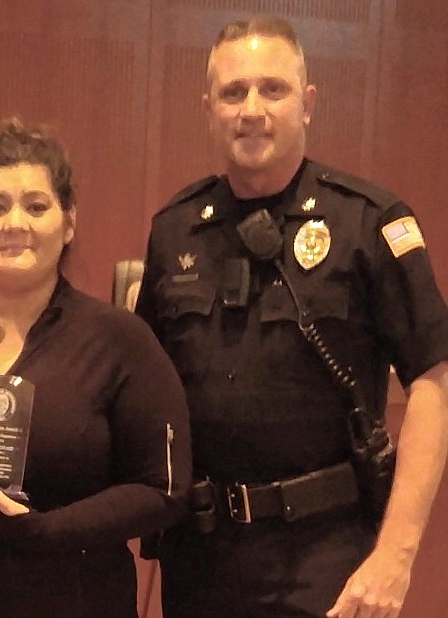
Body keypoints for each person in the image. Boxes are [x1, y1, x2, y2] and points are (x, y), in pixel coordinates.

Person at [135, 16, 448, 618]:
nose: (251, 108)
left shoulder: (369, 222)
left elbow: (433, 382)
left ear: (307, 104)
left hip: (328, 560)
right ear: (210, 109)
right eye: (233, 92)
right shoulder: (174, 229)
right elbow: (139, 391)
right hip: (200, 560)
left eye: (272, 89)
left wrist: (396, 556)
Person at [0, 118, 192, 617]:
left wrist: (45, 532)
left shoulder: (120, 341)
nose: (14, 223)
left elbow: (163, 489)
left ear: (69, 221)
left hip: (69, 599)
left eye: (36, 206)